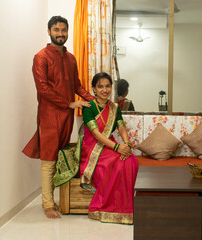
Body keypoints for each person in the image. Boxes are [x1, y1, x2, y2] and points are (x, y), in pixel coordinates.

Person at [22, 16, 94, 219]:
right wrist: (69, 103)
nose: (60, 33)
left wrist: (93, 100)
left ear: (67, 31)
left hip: (67, 116)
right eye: (56, 30)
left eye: (63, 30)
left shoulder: (70, 58)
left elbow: (76, 85)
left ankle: (56, 199)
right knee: (48, 159)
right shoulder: (41, 57)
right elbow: (43, 89)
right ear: (49, 32)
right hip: (49, 115)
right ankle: (47, 205)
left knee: (61, 157)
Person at [78, 72, 139, 224]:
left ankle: (126, 210)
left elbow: (121, 126)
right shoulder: (88, 107)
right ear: (94, 89)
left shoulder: (114, 107)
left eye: (107, 86)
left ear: (111, 88)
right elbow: (96, 134)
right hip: (93, 148)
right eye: (100, 87)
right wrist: (118, 148)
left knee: (130, 160)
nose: (104, 90)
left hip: (109, 144)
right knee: (115, 162)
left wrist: (126, 144)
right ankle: (108, 208)